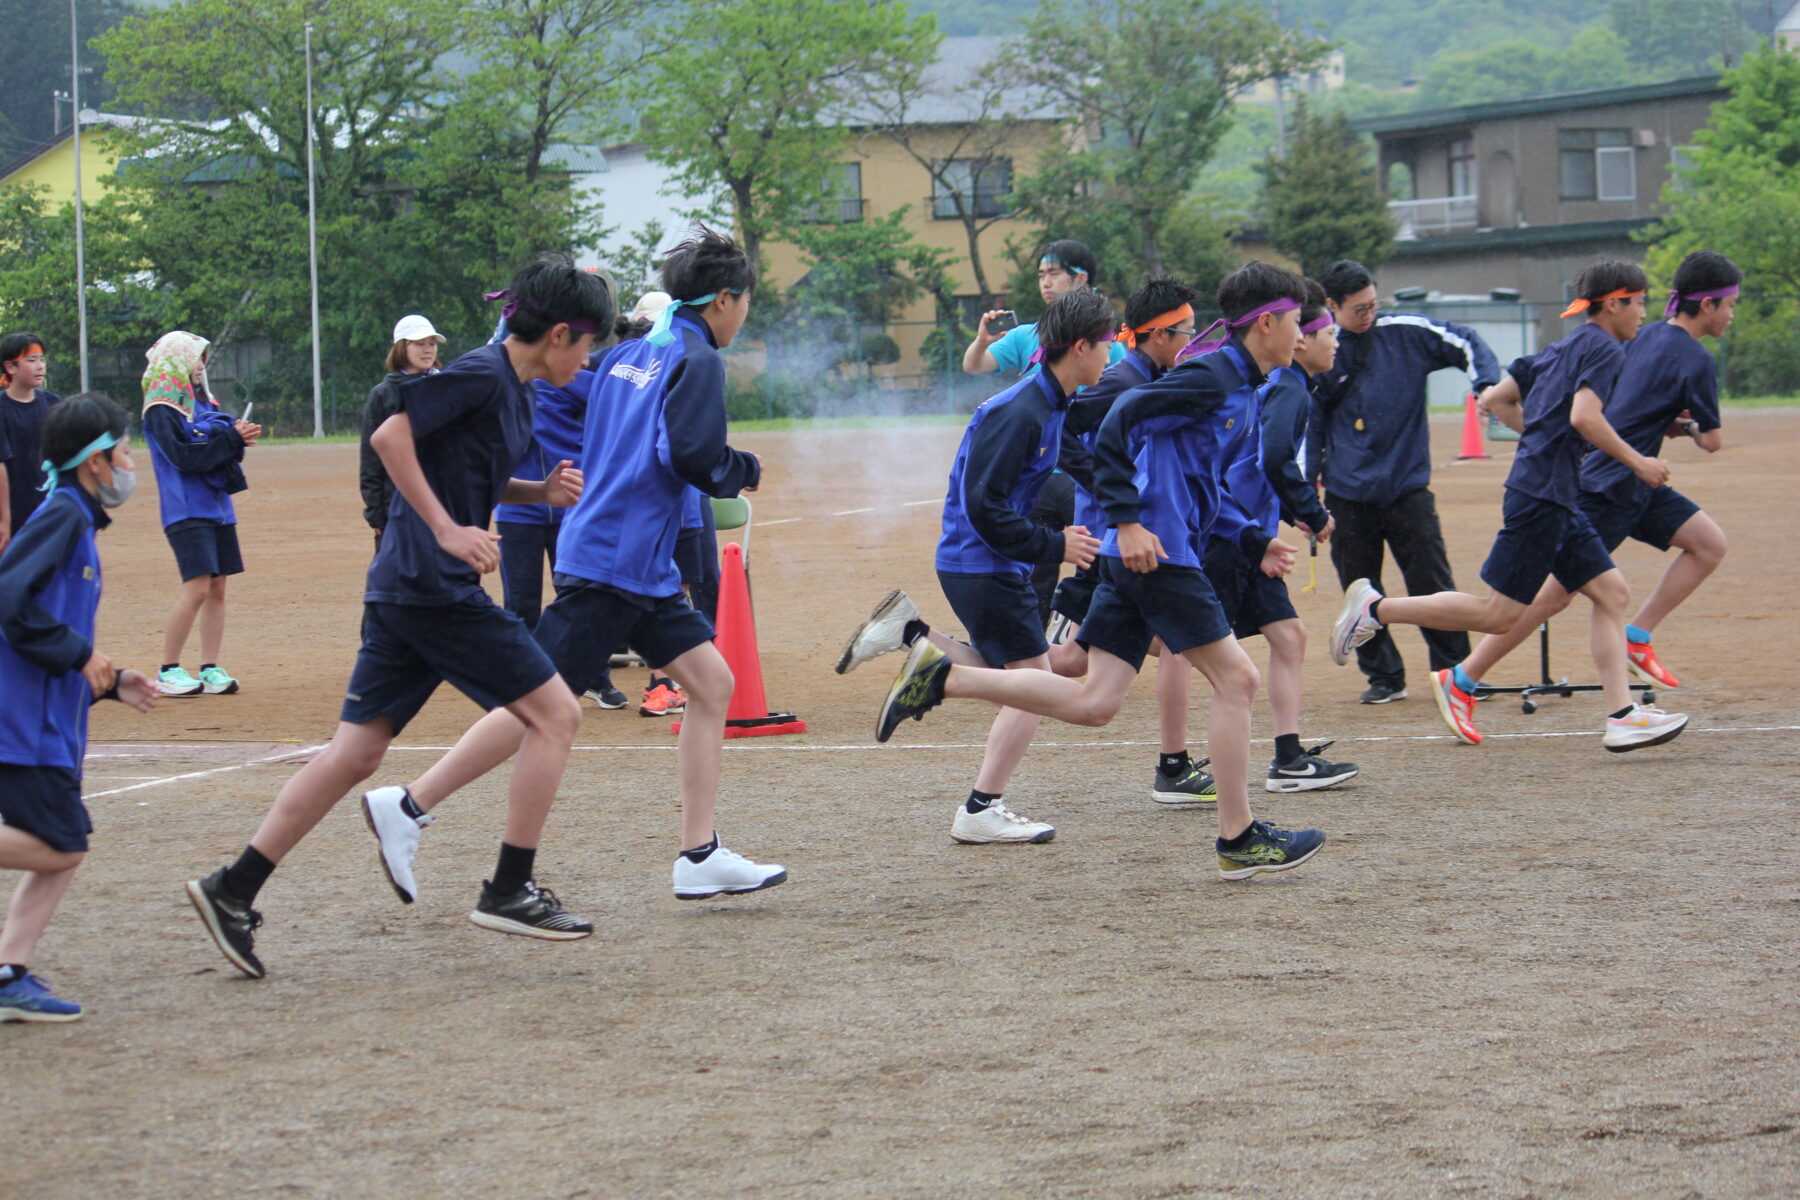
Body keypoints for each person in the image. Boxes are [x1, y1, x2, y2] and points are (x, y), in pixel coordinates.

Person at [185, 256, 612, 979]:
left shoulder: (515, 390)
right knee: (556, 715)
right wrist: (448, 529)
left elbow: (461, 465)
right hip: (433, 586)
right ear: (560, 334)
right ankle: (509, 887)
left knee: (354, 754)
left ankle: (233, 888)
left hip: (405, 590)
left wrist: (535, 492)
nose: (588, 359)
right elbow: (390, 438)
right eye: (588, 345)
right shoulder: (482, 373)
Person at [353, 226, 787, 907]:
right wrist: (742, 468)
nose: (745, 314)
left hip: (631, 559)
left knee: (712, 682)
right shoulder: (693, 359)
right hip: (616, 559)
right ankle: (410, 803)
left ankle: (698, 854)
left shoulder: (624, 355)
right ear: (726, 300)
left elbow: (591, 419)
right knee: (539, 700)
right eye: (746, 303)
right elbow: (694, 456)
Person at [866, 261, 1326, 879]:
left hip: (1138, 554)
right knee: (1238, 681)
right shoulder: (1209, 378)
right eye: (1297, 322)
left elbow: (1202, 483)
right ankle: (1238, 839)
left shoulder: (1239, 387)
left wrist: (1249, 537)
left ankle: (944, 677)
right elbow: (1115, 425)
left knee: (1094, 702)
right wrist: (1127, 522)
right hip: (1154, 554)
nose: (1302, 334)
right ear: (1266, 323)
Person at [1332, 260, 1689, 753]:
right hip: (1543, 497)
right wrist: (1638, 462)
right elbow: (1585, 416)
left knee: (1611, 592)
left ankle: (1623, 715)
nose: (1644, 314)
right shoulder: (1606, 349)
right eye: (1641, 302)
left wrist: (1545, 441)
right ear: (1614, 303)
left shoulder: (1565, 346)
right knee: (1498, 613)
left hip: (1551, 492)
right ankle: (1377, 608)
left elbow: (1498, 399)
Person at [1425, 251, 1739, 744]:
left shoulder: (1644, 335)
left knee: (1706, 543)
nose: (1733, 314)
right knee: (1550, 597)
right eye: (1731, 305)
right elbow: (1709, 439)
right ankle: (1463, 677)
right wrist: (1669, 439)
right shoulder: (1678, 353)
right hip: (1609, 483)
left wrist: (1659, 427)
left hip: (1633, 483)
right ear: (1709, 304)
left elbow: (1622, 400)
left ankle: (1636, 642)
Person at [837, 289, 1113, 844]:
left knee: (1011, 670)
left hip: (987, 563)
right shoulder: (1020, 412)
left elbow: (1087, 455)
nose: (1112, 356)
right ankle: (980, 808)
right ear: (1080, 347)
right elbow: (983, 507)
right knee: (1034, 684)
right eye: (1109, 344)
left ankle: (911, 634)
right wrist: (1054, 546)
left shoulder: (1050, 403)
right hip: (980, 563)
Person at [0, 393, 158, 1022]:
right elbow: (9, 597)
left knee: (65, 845)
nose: (128, 463)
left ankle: (10, 970)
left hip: (45, 722)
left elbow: (46, 616)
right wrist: (75, 654)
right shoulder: (62, 515)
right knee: (63, 846)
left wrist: (110, 678)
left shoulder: (74, 519)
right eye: (122, 450)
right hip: (23, 726)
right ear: (94, 462)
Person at [1051, 279, 1217, 806]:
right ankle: (1173, 765)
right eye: (1187, 333)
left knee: (1074, 662)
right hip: (1114, 544)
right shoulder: (1121, 381)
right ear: (1160, 335)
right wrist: (1110, 492)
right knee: (1168, 647)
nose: (1193, 343)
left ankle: (942, 661)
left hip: (1125, 542)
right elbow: (1061, 432)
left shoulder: (1148, 376)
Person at [1310, 260, 1502, 704]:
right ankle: (1384, 677)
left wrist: (1485, 385)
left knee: (1433, 581)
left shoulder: (1407, 332)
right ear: (1332, 306)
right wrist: (1307, 490)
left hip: (1407, 487)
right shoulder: (1322, 350)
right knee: (1359, 588)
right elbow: (1310, 425)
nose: (1368, 315)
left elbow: (1465, 342)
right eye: (1358, 309)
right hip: (1347, 493)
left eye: (1373, 304)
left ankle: (1454, 670)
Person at [1208, 277, 1359, 792]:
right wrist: (1310, 511)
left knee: (1289, 635)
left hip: (1251, 537)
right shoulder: (1289, 388)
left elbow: (1265, 461)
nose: (1334, 342)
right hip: (1229, 535)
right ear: (1301, 338)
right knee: (1177, 648)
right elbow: (1272, 457)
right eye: (1323, 332)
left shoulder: (1290, 387)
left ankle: (1289, 759)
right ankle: (1173, 762)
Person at [963, 238, 1126, 620]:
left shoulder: (1107, 342)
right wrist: (981, 342)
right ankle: (1043, 635)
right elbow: (975, 365)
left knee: (1099, 556)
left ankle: (1073, 626)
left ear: (1080, 278)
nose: (1045, 283)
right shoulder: (1025, 335)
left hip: (1079, 473)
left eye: (1053, 274)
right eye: (1041, 275)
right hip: (1037, 472)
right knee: (1039, 572)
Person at [140, 332, 261, 698]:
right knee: (197, 588)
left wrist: (236, 435)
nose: (201, 365)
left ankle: (210, 668)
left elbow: (221, 449)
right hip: (185, 509)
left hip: (218, 508)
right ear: (175, 362)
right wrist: (230, 438)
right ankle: (168, 669)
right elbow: (185, 457)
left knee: (218, 588)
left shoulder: (203, 402)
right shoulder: (161, 407)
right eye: (194, 358)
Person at [360, 314, 444, 550]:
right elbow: (370, 459)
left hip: (442, 504)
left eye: (432, 344)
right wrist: (375, 513)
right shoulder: (382, 395)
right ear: (401, 347)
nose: (428, 350)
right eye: (419, 344)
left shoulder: (447, 386)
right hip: (396, 507)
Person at [0, 333, 62, 551]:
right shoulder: (3, 409)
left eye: (42, 359)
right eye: (31, 360)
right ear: (10, 367)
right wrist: (4, 522)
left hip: (50, 508)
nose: (39, 366)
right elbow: (1, 467)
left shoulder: (54, 404)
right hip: (16, 512)